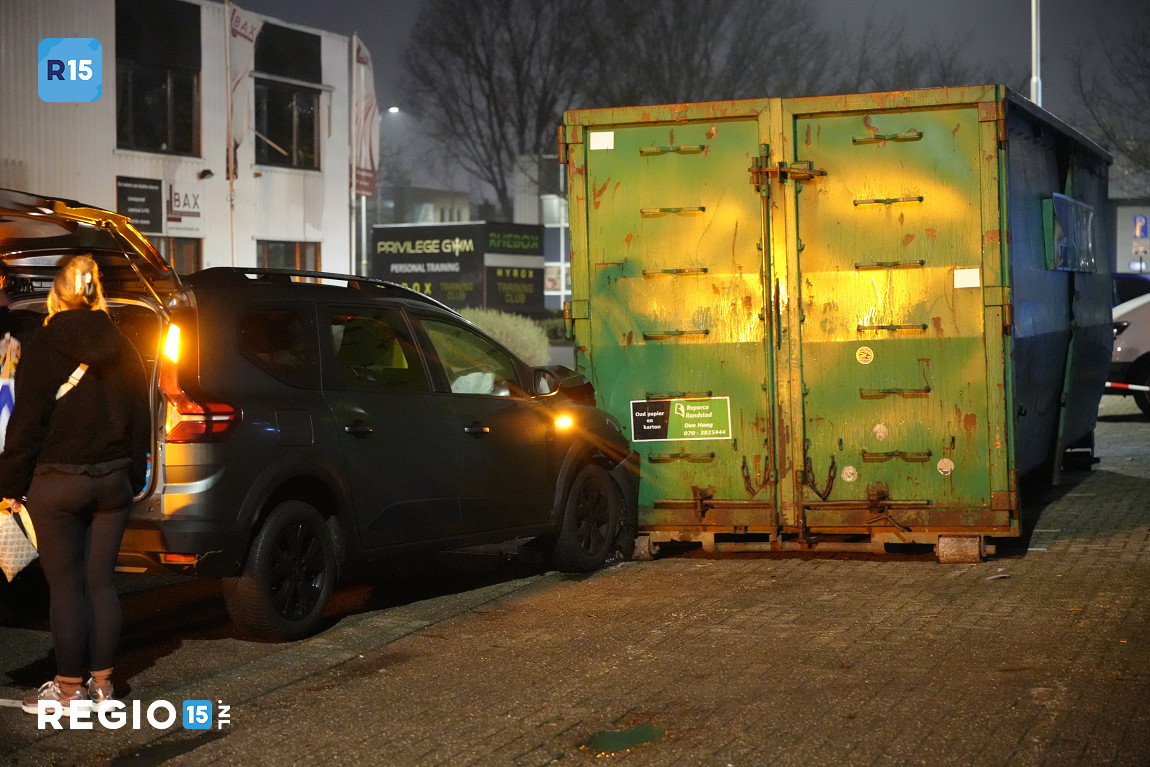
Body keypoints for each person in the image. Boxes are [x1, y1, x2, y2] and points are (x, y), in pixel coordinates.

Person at [0, 255, 150, 715]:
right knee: (101, 584)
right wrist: (134, 475)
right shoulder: (122, 342)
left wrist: (10, 484)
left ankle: (69, 690)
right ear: (96, 292)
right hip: (111, 482)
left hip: (58, 483)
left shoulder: (44, 344)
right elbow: (141, 416)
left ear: (56, 293)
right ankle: (103, 684)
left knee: (65, 588)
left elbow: (27, 422)